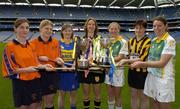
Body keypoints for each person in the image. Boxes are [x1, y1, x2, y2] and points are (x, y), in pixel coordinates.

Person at [2, 19, 53, 109]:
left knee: (35, 106)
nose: (25, 30)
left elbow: (36, 64)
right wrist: (27, 69)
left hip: (34, 82)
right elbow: (10, 70)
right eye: (22, 27)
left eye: (27, 28)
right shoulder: (9, 47)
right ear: (15, 29)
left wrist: (44, 66)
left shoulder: (31, 46)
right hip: (20, 83)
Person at [131, 16, 176, 109]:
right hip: (152, 76)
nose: (156, 28)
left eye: (159, 26)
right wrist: (130, 61)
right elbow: (150, 59)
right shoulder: (154, 40)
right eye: (154, 26)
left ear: (165, 26)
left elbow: (162, 63)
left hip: (163, 78)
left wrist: (142, 64)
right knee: (154, 103)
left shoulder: (169, 41)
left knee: (164, 105)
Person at [30, 19, 63, 109]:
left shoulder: (56, 42)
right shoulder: (32, 43)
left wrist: (59, 60)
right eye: (46, 28)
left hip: (51, 74)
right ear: (40, 29)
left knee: (50, 101)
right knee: (39, 102)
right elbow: (30, 61)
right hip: (38, 74)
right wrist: (38, 58)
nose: (49, 31)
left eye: (50, 29)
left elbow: (58, 57)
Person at [119, 20, 151, 109]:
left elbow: (142, 58)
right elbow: (128, 55)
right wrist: (125, 58)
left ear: (144, 29)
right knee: (133, 96)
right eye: (136, 28)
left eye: (141, 28)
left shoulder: (148, 41)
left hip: (143, 73)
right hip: (132, 72)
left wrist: (126, 61)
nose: (138, 30)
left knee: (144, 97)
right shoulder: (131, 41)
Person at [78, 17, 105, 109]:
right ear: (86, 26)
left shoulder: (100, 39)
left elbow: (104, 53)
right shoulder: (81, 39)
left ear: (95, 27)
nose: (91, 26)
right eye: (89, 24)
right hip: (85, 69)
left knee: (97, 93)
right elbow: (79, 54)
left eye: (93, 24)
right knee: (86, 94)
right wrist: (86, 46)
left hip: (97, 69)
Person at [104, 22, 128, 109]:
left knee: (117, 95)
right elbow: (104, 55)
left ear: (119, 30)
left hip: (118, 72)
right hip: (108, 71)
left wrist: (107, 61)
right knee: (110, 94)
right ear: (109, 30)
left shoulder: (123, 42)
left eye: (115, 29)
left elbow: (120, 57)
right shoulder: (107, 42)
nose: (113, 31)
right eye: (111, 29)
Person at [58, 24, 79, 109]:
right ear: (62, 32)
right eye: (65, 30)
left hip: (73, 71)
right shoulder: (58, 43)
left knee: (73, 94)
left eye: (69, 31)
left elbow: (77, 56)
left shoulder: (75, 43)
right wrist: (63, 65)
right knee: (62, 94)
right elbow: (57, 56)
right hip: (62, 71)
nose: (67, 32)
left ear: (72, 32)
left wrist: (73, 65)